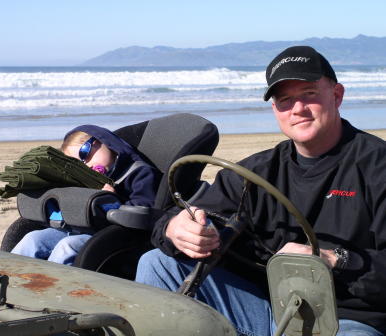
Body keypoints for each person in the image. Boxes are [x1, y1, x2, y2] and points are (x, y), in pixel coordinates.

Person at [135, 46, 386, 336]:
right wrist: (175, 228)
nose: (298, 109)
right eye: (285, 100)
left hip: (346, 321)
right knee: (157, 264)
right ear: (275, 110)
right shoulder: (257, 172)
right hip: (266, 312)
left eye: (309, 94)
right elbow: (172, 221)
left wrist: (335, 260)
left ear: (337, 95)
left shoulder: (376, 166)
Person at [12, 124, 161, 265]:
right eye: (78, 164)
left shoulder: (140, 173)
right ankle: (7, 278)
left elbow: (145, 211)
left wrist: (113, 203)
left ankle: (50, 288)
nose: (87, 164)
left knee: (67, 246)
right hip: (80, 228)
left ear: (102, 142)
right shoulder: (87, 179)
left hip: (115, 235)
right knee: (32, 239)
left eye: (85, 153)